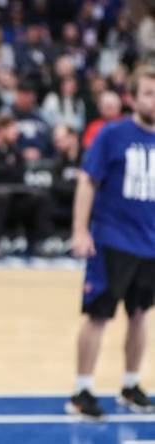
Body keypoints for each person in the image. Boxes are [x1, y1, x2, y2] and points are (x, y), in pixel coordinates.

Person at [68, 65, 155, 418]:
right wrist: (79, 230)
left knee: (139, 315)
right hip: (112, 240)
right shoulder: (112, 134)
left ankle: (131, 385)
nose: (154, 99)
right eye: (148, 92)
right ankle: (82, 390)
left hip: (150, 245)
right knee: (98, 316)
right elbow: (88, 181)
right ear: (132, 97)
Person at [0, 112, 54, 258]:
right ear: (0, 130)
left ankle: (40, 242)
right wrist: (7, 167)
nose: (16, 133)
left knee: (39, 197)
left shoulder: (15, 151)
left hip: (14, 195)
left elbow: (19, 174)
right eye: (12, 129)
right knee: (0, 196)